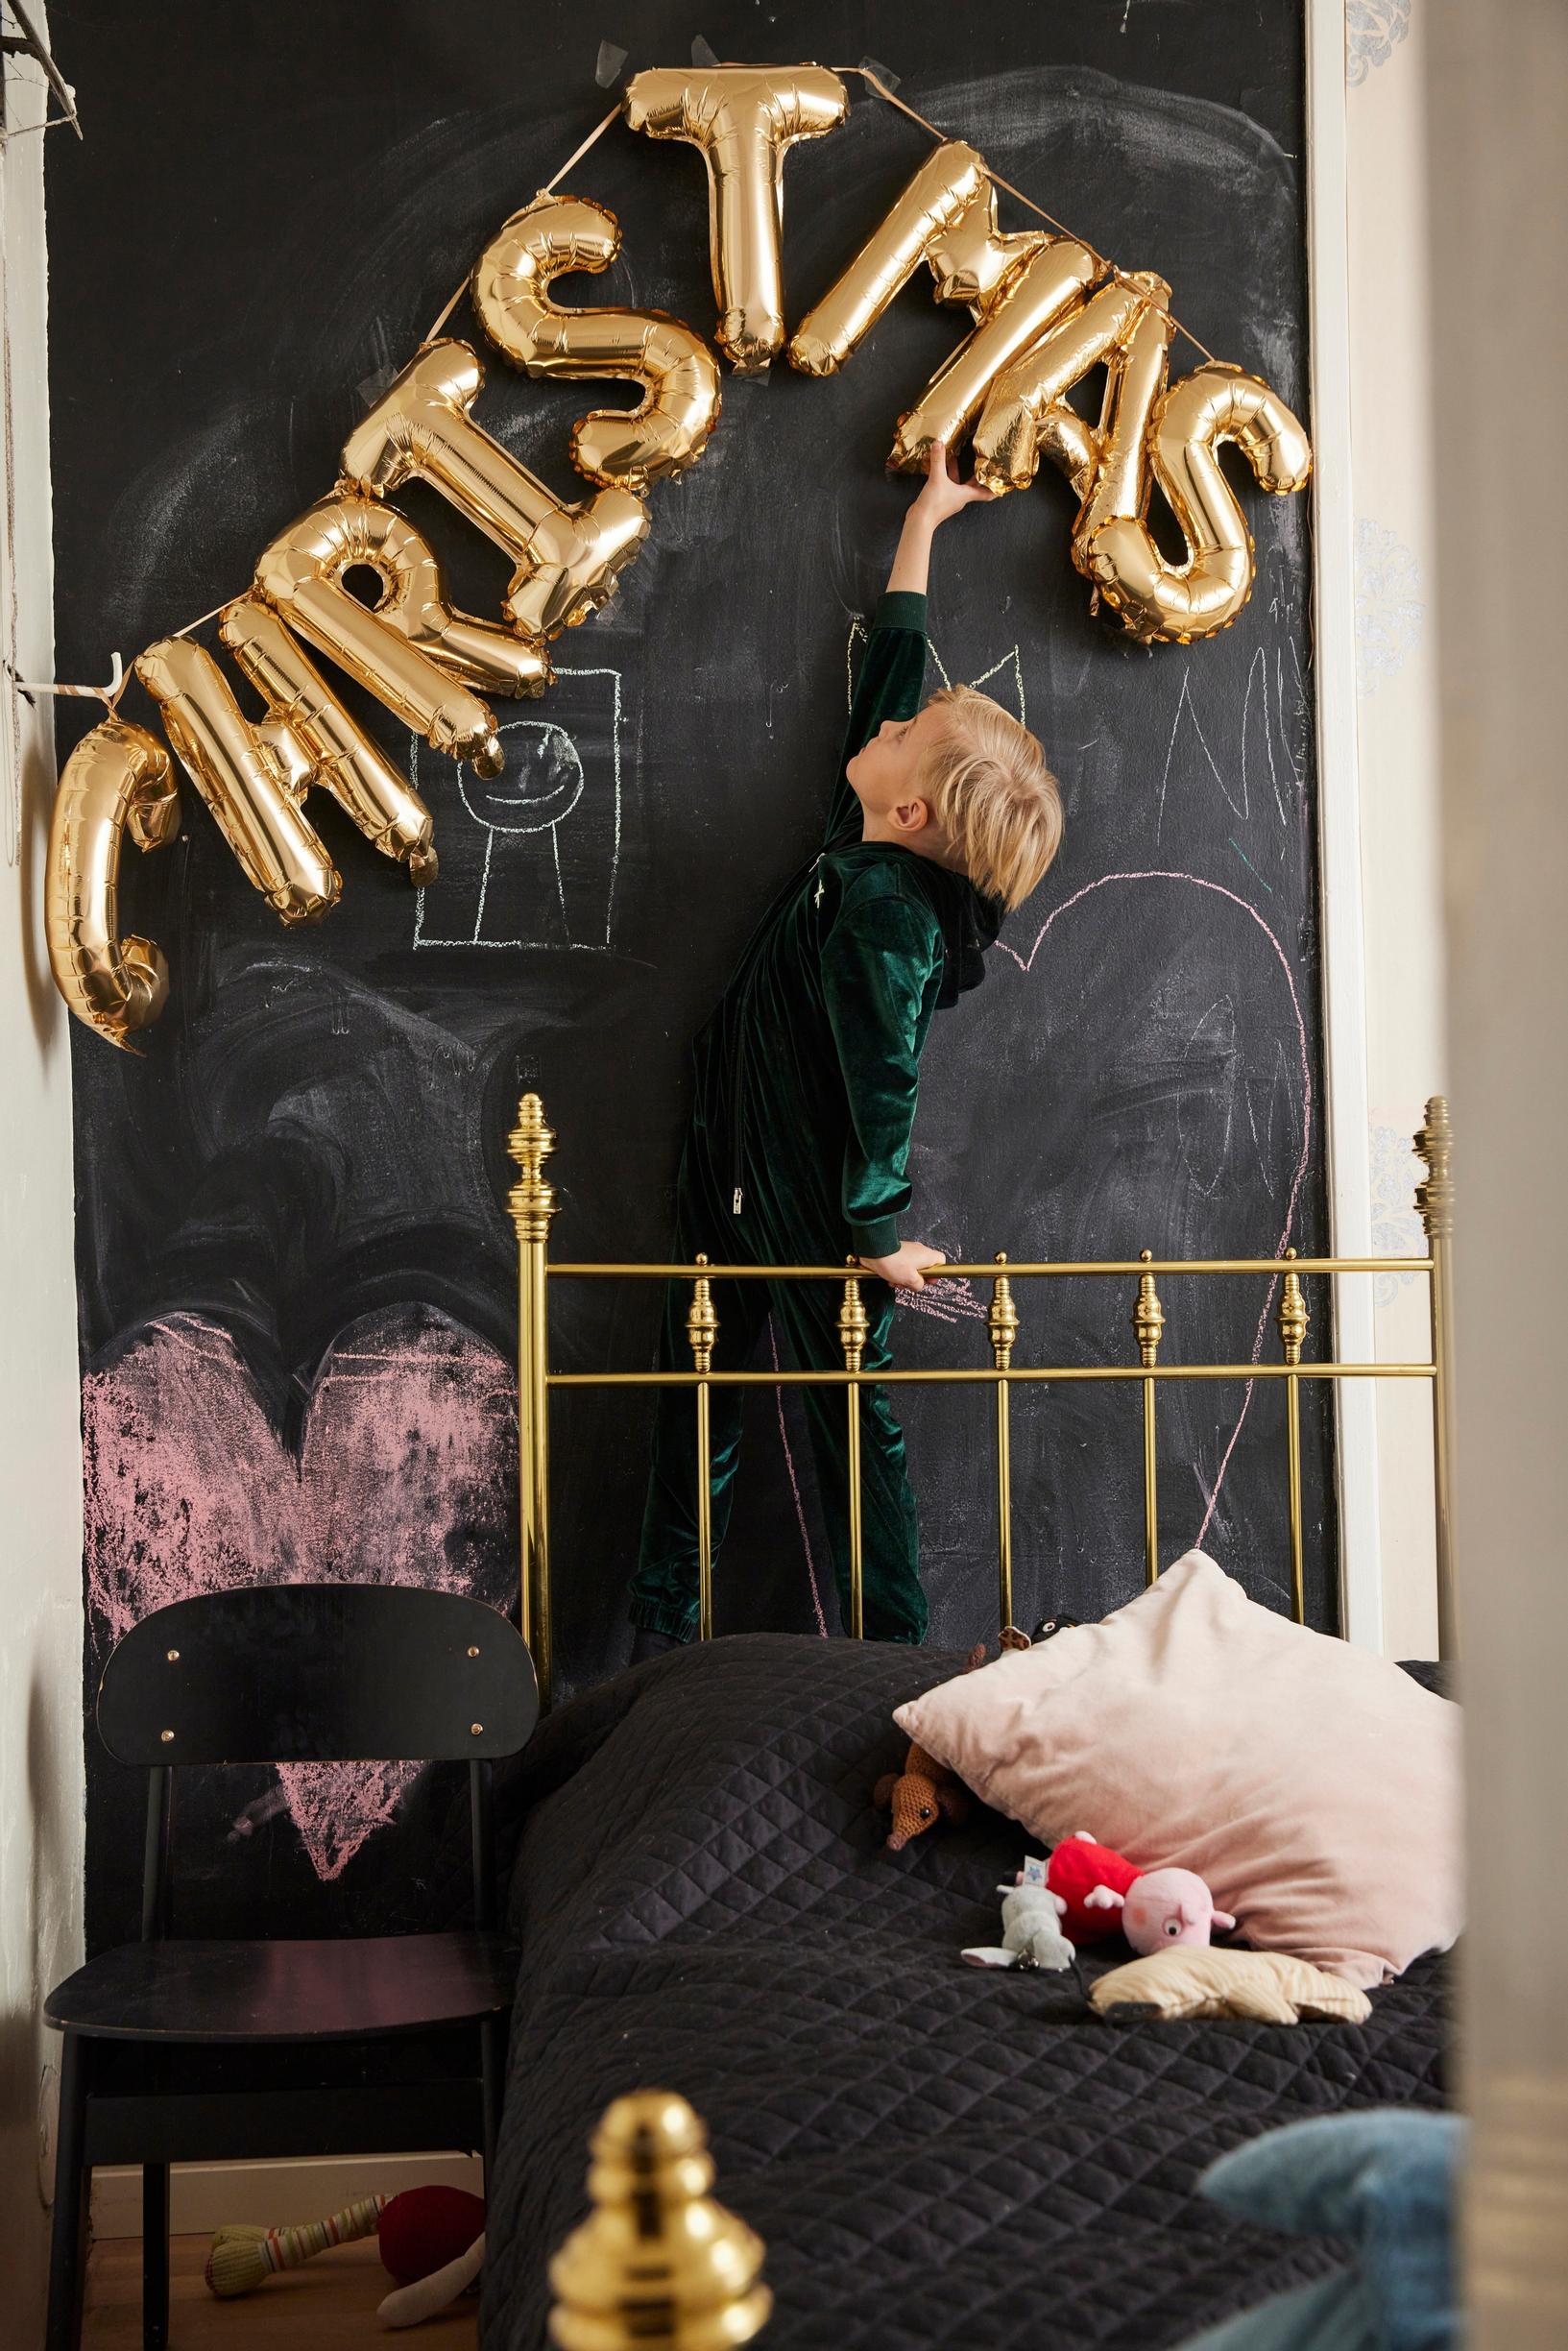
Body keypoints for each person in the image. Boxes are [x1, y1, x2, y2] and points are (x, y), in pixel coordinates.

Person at [628, 441, 1064, 1659]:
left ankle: (896, 1659)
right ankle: (669, 1646)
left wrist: (873, 1234)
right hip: (734, 1167)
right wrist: (926, 523)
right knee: (695, 1404)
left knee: (844, 1431)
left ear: (910, 809)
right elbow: (895, 668)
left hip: (805, 1207)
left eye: (906, 735)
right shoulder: (859, 845)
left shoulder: (879, 909)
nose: (886, 722)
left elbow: (885, 1085)